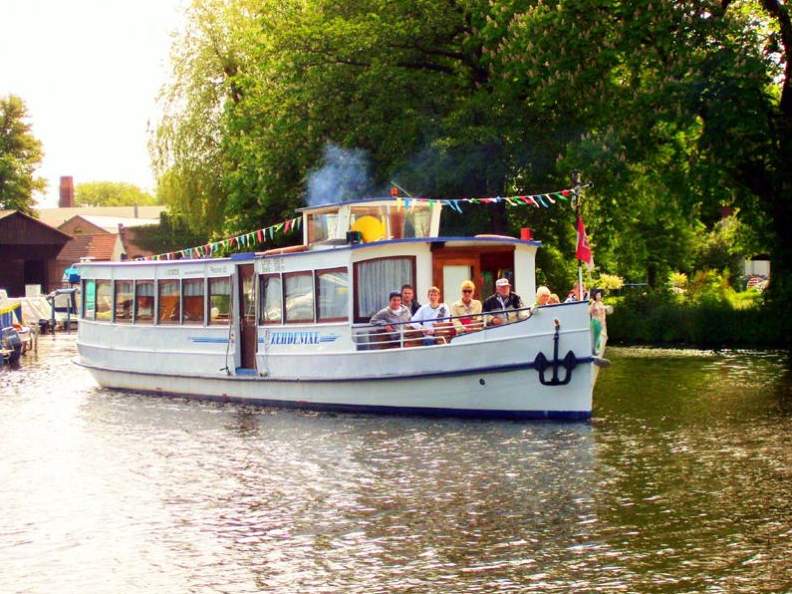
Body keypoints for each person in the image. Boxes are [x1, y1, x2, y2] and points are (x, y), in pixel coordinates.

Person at [589, 288, 608, 354]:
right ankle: (595, 350)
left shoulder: (601, 303)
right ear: (595, 296)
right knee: (597, 336)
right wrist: (593, 305)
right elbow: (589, 312)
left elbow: (603, 313)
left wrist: (603, 321)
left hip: (601, 321)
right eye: (597, 295)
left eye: (600, 295)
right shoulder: (593, 303)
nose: (599, 296)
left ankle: (597, 349)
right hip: (595, 321)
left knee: (602, 336)